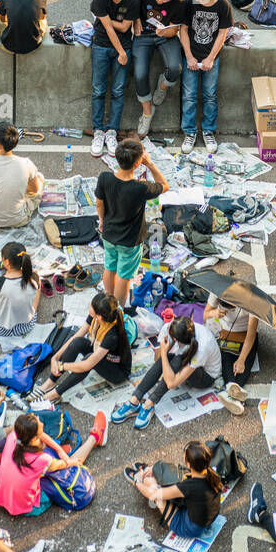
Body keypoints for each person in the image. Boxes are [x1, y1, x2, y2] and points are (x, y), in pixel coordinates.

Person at [110, 316, 222, 431]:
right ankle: (135, 399)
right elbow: (157, 359)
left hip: (206, 376)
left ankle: (150, 404)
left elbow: (171, 384)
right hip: (189, 362)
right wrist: (165, 348)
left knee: (177, 360)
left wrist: (164, 352)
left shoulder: (202, 348)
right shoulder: (172, 327)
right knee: (171, 358)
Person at [96, 138, 168, 308]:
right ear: (137, 164)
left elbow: (99, 203)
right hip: (130, 240)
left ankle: (108, 300)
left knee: (110, 267)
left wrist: (101, 220)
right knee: (124, 276)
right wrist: (150, 164)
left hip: (108, 234)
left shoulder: (105, 178)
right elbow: (164, 185)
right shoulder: (140, 188)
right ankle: (117, 309)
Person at [0, 410, 107, 517]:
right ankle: (95, 437)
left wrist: (59, 450)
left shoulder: (14, 437)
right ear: (33, 438)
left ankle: (66, 448)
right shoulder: (42, 460)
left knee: (49, 455)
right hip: (26, 506)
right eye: (39, 422)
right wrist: (70, 460)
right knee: (66, 472)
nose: (41, 422)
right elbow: (66, 464)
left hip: (2, 495)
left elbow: (40, 435)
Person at [31, 293, 132, 405]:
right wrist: (55, 358)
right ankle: (50, 382)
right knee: (77, 342)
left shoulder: (112, 335)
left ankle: (55, 394)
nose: (89, 307)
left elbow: (87, 365)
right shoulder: (97, 316)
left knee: (87, 360)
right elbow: (76, 336)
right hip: (100, 353)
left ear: (99, 316)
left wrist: (61, 365)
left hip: (117, 372)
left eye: (91, 306)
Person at [89, 0, 140, 159]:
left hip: (123, 45)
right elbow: (109, 29)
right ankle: (98, 132)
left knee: (118, 90)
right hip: (102, 45)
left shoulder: (133, 0)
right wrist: (121, 52)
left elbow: (126, 27)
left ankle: (111, 132)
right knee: (98, 90)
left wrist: (108, 20)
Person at [127, 440, 222, 538]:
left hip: (189, 528)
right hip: (205, 518)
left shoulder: (189, 487)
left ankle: (143, 476)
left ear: (189, 464)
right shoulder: (212, 474)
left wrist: (137, 482)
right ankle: (149, 474)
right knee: (166, 483)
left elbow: (153, 495)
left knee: (152, 486)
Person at [180, 0, 233, 154]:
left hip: (211, 56)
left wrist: (210, 58)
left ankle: (208, 131)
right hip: (191, 54)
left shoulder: (223, 5)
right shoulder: (189, 2)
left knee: (210, 95)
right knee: (189, 95)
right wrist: (189, 56)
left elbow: (222, 34)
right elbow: (184, 30)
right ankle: (189, 132)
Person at [0, 242, 40, 339]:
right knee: (37, 289)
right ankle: (31, 312)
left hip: (0, 329)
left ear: (6, 262)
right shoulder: (33, 279)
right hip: (26, 326)